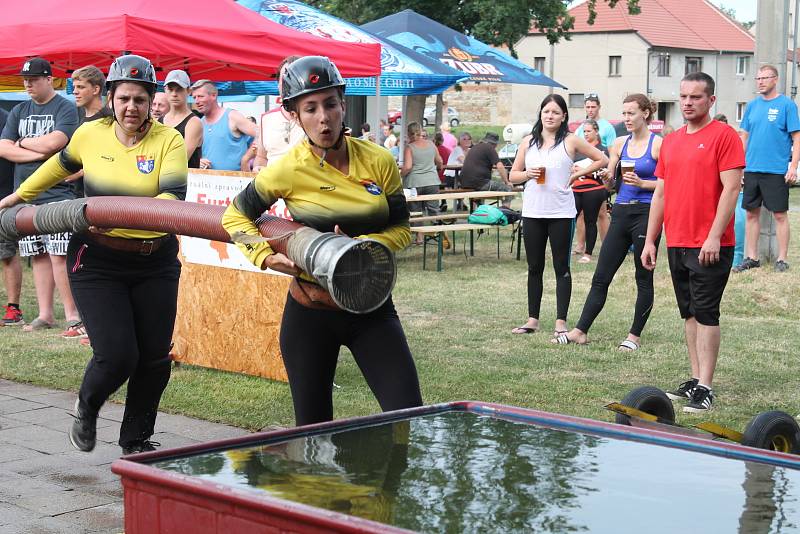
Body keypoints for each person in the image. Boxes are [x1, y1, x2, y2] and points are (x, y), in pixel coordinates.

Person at [0, 54, 188, 453]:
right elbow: (55, 167)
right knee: (118, 355)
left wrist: (119, 210)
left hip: (155, 259)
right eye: (124, 99)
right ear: (111, 98)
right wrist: (15, 199)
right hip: (97, 258)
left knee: (154, 360)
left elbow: (173, 197)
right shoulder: (89, 135)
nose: (132, 108)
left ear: (151, 100)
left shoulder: (169, 139)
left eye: (140, 99)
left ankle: (136, 441)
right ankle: (87, 406)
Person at [221, 56, 422, 426]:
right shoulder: (287, 168)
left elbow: (402, 229)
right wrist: (264, 256)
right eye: (310, 108)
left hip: (372, 310)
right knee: (313, 434)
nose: (324, 117)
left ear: (343, 104)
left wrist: (364, 248)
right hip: (310, 313)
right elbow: (234, 216)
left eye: (330, 104)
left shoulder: (379, 160)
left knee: (408, 418)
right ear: (295, 115)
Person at [641, 72, 743, 413]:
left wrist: (715, 235)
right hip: (678, 240)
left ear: (710, 100)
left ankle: (707, 387)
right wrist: (651, 239)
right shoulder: (670, 141)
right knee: (689, 313)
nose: (687, 103)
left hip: (711, 243)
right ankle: (696, 379)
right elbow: (661, 193)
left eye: (695, 97)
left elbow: (731, 189)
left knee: (706, 312)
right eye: (683, 96)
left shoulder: (724, 137)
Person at [554, 94, 662, 351]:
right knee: (601, 276)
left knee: (643, 277)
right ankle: (580, 331)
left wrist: (644, 183)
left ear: (645, 114)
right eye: (624, 113)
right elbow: (610, 183)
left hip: (647, 213)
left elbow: (670, 184)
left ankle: (633, 336)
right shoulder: (619, 144)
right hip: (622, 212)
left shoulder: (659, 145)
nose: (626, 118)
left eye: (631, 113)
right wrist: (606, 178)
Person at [509, 94, 607, 337]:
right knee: (534, 267)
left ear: (564, 116)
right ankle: (532, 319)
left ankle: (560, 322)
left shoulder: (571, 141)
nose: (550, 116)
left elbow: (601, 159)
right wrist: (527, 174)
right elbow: (513, 176)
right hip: (533, 211)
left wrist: (575, 176)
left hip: (561, 213)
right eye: (546, 111)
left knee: (561, 267)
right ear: (540, 114)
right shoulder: (528, 142)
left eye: (555, 112)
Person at [0, 57, 80, 333]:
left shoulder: (65, 108)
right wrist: (39, 151)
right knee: (37, 254)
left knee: (59, 253)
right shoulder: (19, 110)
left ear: (49, 79)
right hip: (24, 194)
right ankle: (45, 314)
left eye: (33, 79)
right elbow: (4, 148)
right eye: (25, 80)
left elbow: (58, 142)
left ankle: (72, 314)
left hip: (57, 192)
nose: (28, 84)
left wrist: (22, 144)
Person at [733, 64, 799, 273]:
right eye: (758, 78)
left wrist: (793, 166)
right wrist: (739, 166)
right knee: (752, 213)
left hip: (776, 170)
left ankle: (782, 259)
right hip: (752, 168)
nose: (760, 81)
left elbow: (796, 138)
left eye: (764, 77)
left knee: (779, 215)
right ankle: (752, 257)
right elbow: (744, 136)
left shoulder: (787, 105)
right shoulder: (752, 106)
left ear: (775, 79)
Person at [191, 79, 258, 170]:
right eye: (194, 97)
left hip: (235, 181)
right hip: (206, 181)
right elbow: (193, 153)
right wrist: (198, 161)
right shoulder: (199, 123)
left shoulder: (232, 116)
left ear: (214, 95)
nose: (196, 101)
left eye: (200, 96)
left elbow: (261, 134)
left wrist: (246, 159)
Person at [571, 119, 609, 264]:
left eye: (589, 131)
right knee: (570, 218)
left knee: (592, 219)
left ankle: (589, 253)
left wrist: (584, 171)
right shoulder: (579, 149)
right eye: (584, 131)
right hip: (575, 188)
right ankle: (576, 246)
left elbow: (603, 171)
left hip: (594, 189)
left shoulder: (602, 149)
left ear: (596, 131)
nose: (586, 134)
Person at [402, 121, 443, 244]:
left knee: (416, 211)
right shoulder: (431, 144)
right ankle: (437, 234)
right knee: (433, 209)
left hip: (414, 182)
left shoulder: (410, 148)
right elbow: (439, 161)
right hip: (432, 182)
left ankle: (419, 237)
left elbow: (408, 167)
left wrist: (400, 175)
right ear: (421, 131)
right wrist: (436, 169)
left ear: (409, 134)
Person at [0, 106, 20, 327]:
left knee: (5, 253)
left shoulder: (5, 118)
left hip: (3, 195)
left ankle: (13, 307)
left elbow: (8, 151)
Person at [161, 69, 203, 169]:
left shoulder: (194, 122)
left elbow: (180, 159)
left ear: (189, 91)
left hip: (185, 181)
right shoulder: (160, 120)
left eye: (179, 89)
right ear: (165, 90)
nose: (174, 94)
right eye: (171, 89)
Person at [459, 132, 513, 208]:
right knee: (507, 189)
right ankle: (505, 214)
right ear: (494, 144)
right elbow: (500, 166)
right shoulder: (489, 148)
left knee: (480, 190)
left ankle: (477, 213)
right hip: (479, 182)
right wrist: (507, 182)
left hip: (464, 182)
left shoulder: (475, 147)